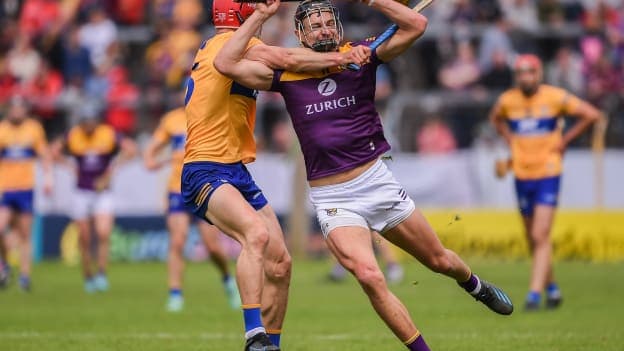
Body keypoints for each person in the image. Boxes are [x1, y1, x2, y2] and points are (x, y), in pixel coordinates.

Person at [214, 0, 514, 349]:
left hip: (376, 182)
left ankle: (474, 284)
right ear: (300, 34)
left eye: (328, 22)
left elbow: (416, 24)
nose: (323, 29)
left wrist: (374, 1)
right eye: (315, 25)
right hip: (334, 199)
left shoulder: (362, 56)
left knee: (439, 260)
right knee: (370, 276)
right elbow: (226, 62)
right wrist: (262, 16)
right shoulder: (287, 71)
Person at [181, 0, 370, 349]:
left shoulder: (225, 45)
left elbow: (288, 67)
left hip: (235, 169)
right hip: (204, 168)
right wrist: (340, 58)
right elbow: (288, 60)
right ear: (241, 13)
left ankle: (273, 345)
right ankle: (254, 335)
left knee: (281, 263)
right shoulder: (235, 45)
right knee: (255, 235)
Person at [489, 54, 603, 311]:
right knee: (532, 237)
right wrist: (510, 140)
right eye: (520, 73)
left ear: (539, 73)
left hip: (548, 172)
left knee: (540, 234)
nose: (525, 77)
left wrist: (564, 141)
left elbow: (592, 114)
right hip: (521, 173)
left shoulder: (555, 97)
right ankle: (552, 289)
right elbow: (495, 118)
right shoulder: (508, 100)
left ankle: (533, 295)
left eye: (530, 72)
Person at [143, 98, 240, 312]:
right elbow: (152, 149)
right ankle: (175, 294)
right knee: (177, 242)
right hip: (177, 188)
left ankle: (226, 279)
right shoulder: (171, 120)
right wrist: (150, 158)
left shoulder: (211, 113)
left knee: (212, 246)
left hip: (203, 186)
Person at [52, 103, 136, 293]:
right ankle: (88, 275)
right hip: (81, 191)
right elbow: (54, 151)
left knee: (104, 233)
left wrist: (110, 172)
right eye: (85, 123)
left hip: (102, 192)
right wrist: (69, 167)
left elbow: (131, 150)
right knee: (84, 236)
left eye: (91, 122)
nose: (88, 126)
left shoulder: (108, 134)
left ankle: (102, 274)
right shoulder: (73, 135)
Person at [0, 96, 53, 291]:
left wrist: (48, 178)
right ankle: (4, 265)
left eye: (20, 108)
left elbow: (44, 154)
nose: (17, 112)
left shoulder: (33, 129)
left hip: (26, 189)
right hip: (5, 188)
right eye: (14, 108)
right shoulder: (2, 129)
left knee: (24, 234)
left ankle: (24, 276)